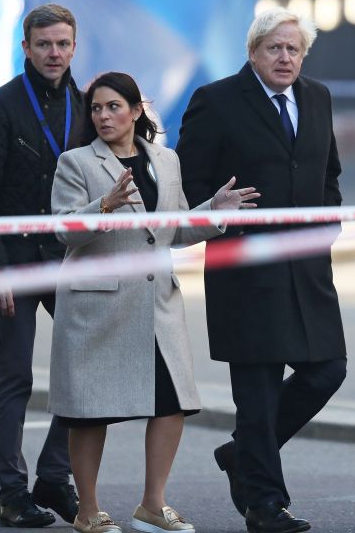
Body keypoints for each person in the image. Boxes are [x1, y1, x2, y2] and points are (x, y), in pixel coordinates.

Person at [50, 72, 259, 533]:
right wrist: (102, 207)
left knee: (171, 404)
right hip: (96, 306)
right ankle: (87, 511)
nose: (104, 116)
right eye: (97, 109)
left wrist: (213, 211)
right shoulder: (75, 162)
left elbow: (174, 230)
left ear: (136, 110)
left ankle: (153, 503)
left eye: (113, 107)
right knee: (89, 411)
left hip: (155, 303)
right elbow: (63, 230)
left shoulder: (166, 160)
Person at [175, 7, 346, 533]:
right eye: (275, 48)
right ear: (253, 51)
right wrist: (211, 207)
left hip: (307, 268)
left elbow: (328, 172)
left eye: (294, 49)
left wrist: (327, 225)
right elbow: (185, 185)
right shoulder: (217, 101)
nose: (285, 57)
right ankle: (265, 505)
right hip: (246, 271)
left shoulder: (317, 98)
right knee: (258, 390)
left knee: (328, 370)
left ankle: (243, 454)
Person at [0, 3, 84, 528]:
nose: (53, 53)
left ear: (74, 46)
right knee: (13, 376)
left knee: (88, 369)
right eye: (43, 45)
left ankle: (54, 476)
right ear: (26, 48)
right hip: (12, 259)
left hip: (68, 259)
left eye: (62, 44)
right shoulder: (0, 107)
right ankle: (13, 493)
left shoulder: (88, 105)